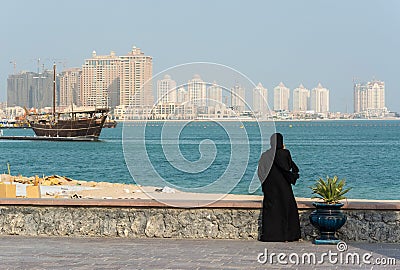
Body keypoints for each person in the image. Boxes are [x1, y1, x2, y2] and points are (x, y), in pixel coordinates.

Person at [257, 133, 301, 242]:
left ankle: (271, 236)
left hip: (270, 188)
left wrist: (265, 184)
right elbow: (289, 167)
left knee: (271, 211)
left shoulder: (265, 155)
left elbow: (260, 172)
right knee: (286, 209)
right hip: (284, 187)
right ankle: (288, 235)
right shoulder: (284, 153)